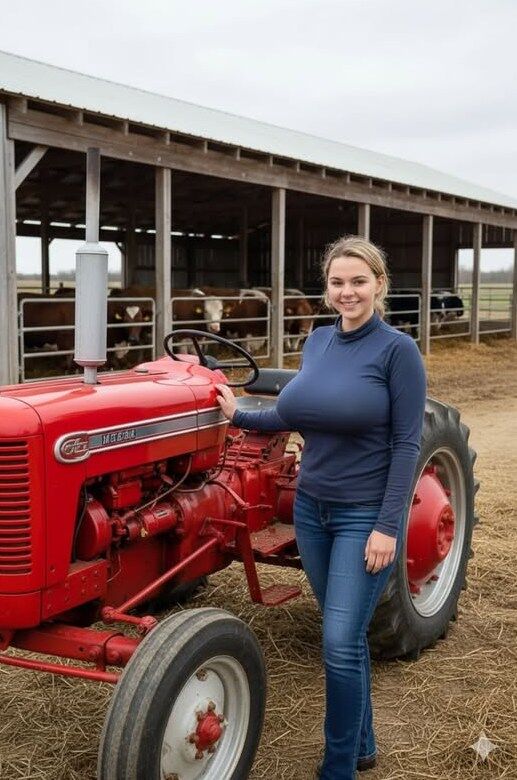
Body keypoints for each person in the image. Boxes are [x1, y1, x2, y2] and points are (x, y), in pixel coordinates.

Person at [215, 235, 427, 780]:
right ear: (326, 288)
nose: (347, 292)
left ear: (380, 285)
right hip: (310, 510)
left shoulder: (397, 351)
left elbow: (407, 445)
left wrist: (386, 526)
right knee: (346, 633)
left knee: (336, 641)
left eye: (359, 281)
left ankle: (338, 768)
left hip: (363, 517)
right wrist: (237, 412)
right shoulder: (317, 342)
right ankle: (363, 745)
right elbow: (294, 414)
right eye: (337, 282)